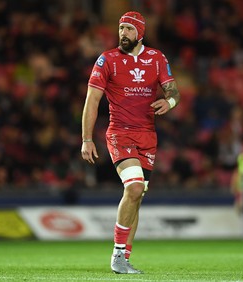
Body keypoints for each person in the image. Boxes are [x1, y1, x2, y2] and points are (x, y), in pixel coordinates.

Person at [80, 11, 180, 274]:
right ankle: (117, 255)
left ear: (140, 33)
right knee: (134, 188)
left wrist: (168, 102)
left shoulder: (157, 59)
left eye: (128, 29)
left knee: (136, 197)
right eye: (120, 28)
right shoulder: (107, 60)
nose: (123, 33)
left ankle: (124, 256)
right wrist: (87, 138)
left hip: (148, 136)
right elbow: (92, 100)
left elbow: (174, 91)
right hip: (120, 133)